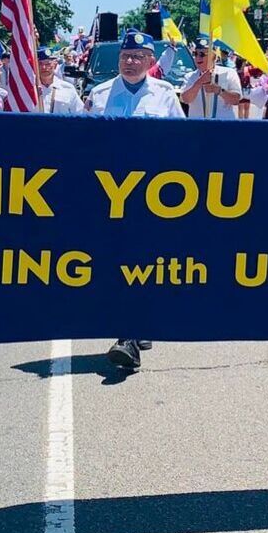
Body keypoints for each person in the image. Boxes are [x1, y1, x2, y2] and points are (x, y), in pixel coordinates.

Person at [86, 30, 183, 370]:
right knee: (115, 259)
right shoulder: (98, 95)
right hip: (109, 193)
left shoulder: (165, 94)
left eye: (138, 57)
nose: (130, 62)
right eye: (126, 56)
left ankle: (133, 330)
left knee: (144, 260)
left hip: (151, 195)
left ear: (150, 61)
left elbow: (180, 142)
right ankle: (129, 330)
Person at [181, 38, 243, 119]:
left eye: (202, 54)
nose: (197, 57)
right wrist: (199, 82)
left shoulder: (229, 73)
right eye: (195, 54)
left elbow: (236, 100)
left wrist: (219, 90)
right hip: (197, 128)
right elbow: (185, 99)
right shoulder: (190, 76)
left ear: (213, 56)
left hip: (223, 127)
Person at [35, 48, 84, 114]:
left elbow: (80, 114)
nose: (44, 67)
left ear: (55, 65)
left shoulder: (68, 89)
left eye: (48, 64)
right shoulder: (29, 90)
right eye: (40, 64)